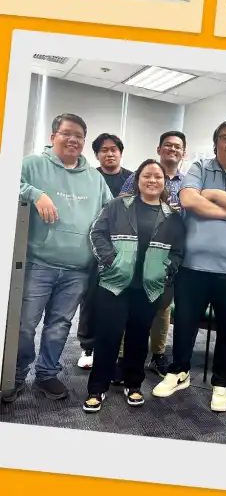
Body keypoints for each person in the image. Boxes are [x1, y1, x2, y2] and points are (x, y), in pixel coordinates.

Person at [152, 120, 226, 412]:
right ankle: (178, 372)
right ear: (216, 142)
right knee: (185, 324)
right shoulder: (201, 168)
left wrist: (213, 195)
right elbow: (188, 198)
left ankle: (222, 383)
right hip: (194, 265)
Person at [4, 113, 112, 403]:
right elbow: (7, 182)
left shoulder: (95, 178)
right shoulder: (31, 165)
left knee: (59, 325)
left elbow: (108, 215)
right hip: (38, 263)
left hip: (78, 268)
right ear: (53, 137)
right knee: (25, 323)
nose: (73, 140)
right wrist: (34, 193)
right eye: (67, 133)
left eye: (79, 136)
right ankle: (13, 375)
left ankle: (47, 374)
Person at [83, 160, 185, 413]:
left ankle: (134, 383)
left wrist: (165, 271)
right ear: (138, 179)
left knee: (139, 339)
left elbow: (178, 252)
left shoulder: (172, 217)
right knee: (108, 337)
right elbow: (97, 232)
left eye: (158, 177)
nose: (152, 180)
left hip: (148, 287)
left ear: (164, 183)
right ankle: (97, 388)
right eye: (147, 175)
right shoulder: (118, 206)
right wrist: (109, 260)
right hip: (114, 284)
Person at [118, 129, 188, 376]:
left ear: (183, 153)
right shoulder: (142, 174)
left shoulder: (187, 184)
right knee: (131, 305)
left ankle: (157, 355)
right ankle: (123, 356)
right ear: (159, 149)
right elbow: (122, 206)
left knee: (162, 307)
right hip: (136, 254)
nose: (172, 149)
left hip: (166, 255)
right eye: (167, 145)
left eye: (177, 147)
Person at [75, 132, 134, 370]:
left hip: (123, 251)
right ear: (97, 155)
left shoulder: (132, 178)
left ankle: (117, 348)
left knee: (118, 300)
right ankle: (88, 347)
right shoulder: (88, 177)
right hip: (93, 246)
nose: (109, 154)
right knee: (90, 298)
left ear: (120, 152)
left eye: (114, 149)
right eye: (104, 150)